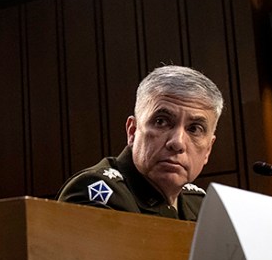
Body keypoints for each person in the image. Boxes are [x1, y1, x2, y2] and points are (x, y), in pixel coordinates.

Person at [57, 65, 223, 221]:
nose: (177, 143)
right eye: (161, 122)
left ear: (208, 149)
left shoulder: (202, 206)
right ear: (132, 131)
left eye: (194, 129)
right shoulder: (97, 194)